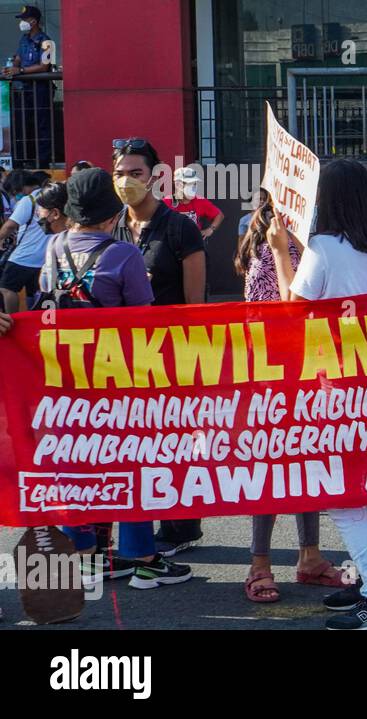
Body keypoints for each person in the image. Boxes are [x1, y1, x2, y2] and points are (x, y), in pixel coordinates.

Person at [265, 158, 367, 630]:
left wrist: (283, 253)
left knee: (345, 499)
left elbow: (292, 314)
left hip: (337, 394)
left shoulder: (323, 249)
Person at [31, 169, 193, 590]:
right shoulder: (123, 255)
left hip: (64, 379)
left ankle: (84, 555)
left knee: (75, 464)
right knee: (130, 462)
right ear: (111, 212)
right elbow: (144, 322)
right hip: (116, 380)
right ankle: (142, 556)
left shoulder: (52, 247)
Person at [233, 194, 346, 602]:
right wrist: (288, 252)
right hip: (276, 373)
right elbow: (289, 316)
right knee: (274, 464)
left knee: (304, 460)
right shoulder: (271, 246)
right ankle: (259, 563)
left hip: (304, 369)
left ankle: (309, 556)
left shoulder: (294, 242)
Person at [110, 138, 208, 556]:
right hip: (121, 360)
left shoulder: (179, 227)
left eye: (135, 173)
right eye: (119, 173)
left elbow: (195, 305)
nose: (127, 181)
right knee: (131, 445)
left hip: (170, 356)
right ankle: (136, 527)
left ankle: (180, 528)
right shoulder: (113, 226)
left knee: (172, 444)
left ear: (155, 176)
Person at [3, 6, 52, 167]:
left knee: (42, 125)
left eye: (25, 19)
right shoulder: (24, 39)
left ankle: (42, 162)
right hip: (23, 90)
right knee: (23, 125)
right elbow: (17, 58)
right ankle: (25, 161)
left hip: (40, 89)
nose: (22, 23)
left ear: (34, 21)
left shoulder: (47, 42)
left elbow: (44, 66)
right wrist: (11, 68)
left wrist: (21, 70)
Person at [0, 169, 47, 312]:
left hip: (25, 256)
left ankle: (13, 320)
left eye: (15, 192)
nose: (16, 197)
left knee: (6, 288)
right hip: (45, 256)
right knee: (34, 292)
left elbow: (9, 226)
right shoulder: (49, 196)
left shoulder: (29, 200)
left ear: (21, 187)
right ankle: (34, 319)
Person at [166, 165, 225, 242]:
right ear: (178, 185)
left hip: (194, 246)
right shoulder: (166, 202)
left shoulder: (200, 201)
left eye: (195, 184)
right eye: (190, 184)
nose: (193, 187)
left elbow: (219, 215)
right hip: (172, 247)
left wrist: (211, 229)